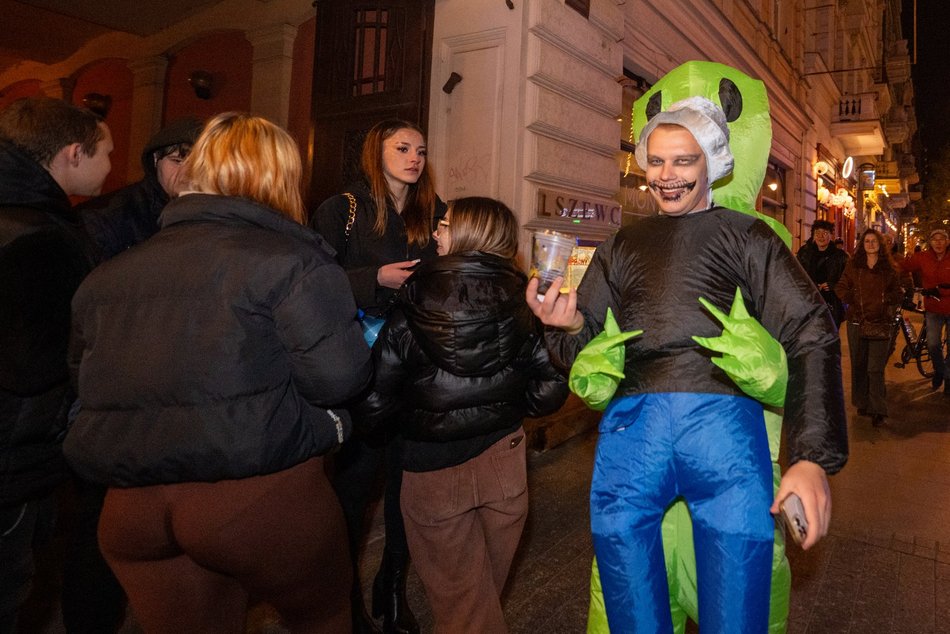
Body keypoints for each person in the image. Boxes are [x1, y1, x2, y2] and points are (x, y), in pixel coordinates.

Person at [527, 96, 848, 633]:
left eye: (683, 160)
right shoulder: (623, 243)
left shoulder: (748, 235)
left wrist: (812, 457)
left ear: (713, 163)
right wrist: (559, 325)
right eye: (655, 161)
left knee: (738, 611)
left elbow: (811, 330)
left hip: (723, 435)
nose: (666, 175)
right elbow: (583, 349)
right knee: (628, 609)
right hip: (633, 437)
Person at [63, 112, 372, 633]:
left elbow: (85, 382)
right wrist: (329, 427)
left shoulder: (107, 275)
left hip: (132, 510)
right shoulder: (294, 262)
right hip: (256, 496)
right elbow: (337, 379)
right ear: (279, 177)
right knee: (323, 618)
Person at [357, 196, 568, 632]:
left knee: (466, 610)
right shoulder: (528, 303)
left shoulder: (411, 303)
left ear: (471, 234)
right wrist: (508, 408)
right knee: (480, 598)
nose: (436, 231)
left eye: (446, 225)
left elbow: (375, 399)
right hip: (505, 461)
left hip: (432, 470)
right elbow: (550, 389)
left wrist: (403, 429)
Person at [310, 119, 445, 634]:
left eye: (421, 150)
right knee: (353, 487)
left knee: (406, 491)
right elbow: (314, 281)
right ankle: (343, 606)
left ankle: (391, 588)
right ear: (377, 151)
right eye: (402, 147)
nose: (414, 157)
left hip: (415, 367)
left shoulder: (435, 211)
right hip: (360, 373)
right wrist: (374, 279)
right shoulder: (342, 208)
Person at [0, 96, 112, 633]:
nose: (112, 167)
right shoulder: (43, 236)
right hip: (10, 457)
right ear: (73, 153)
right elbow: (35, 365)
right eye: (106, 153)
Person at [78, 117, 202, 259]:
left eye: (198, 164)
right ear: (155, 159)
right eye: (177, 161)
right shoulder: (113, 216)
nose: (186, 174)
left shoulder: (214, 213)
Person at [834, 229, 904, 426]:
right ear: (862, 245)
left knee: (875, 368)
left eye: (874, 241)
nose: (870, 244)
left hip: (880, 322)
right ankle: (861, 402)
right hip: (857, 322)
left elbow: (897, 293)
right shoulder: (853, 265)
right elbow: (840, 288)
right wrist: (854, 302)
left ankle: (878, 408)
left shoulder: (888, 268)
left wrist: (884, 301)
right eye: (867, 241)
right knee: (859, 365)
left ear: (880, 245)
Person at [901, 228, 950, 393]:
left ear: (947, 241)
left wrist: (940, 290)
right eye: (934, 239)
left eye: (942, 239)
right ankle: (940, 370)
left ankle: (948, 380)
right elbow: (902, 266)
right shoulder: (923, 257)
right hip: (934, 308)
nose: (938, 242)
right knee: (933, 344)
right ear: (930, 242)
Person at [797, 219, 849, 328]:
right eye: (817, 233)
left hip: (832, 303)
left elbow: (847, 279)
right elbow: (797, 275)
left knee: (830, 333)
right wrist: (811, 285)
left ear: (831, 235)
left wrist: (833, 285)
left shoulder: (840, 256)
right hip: (809, 300)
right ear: (813, 235)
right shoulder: (804, 253)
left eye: (825, 233)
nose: (821, 236)